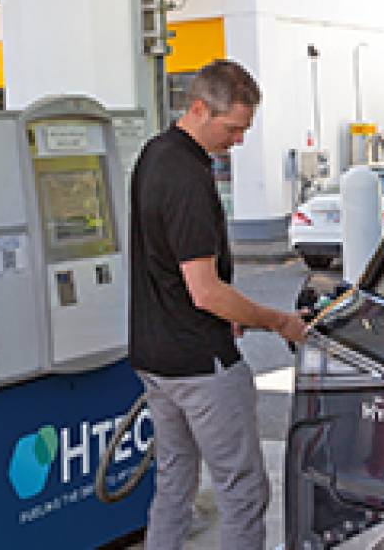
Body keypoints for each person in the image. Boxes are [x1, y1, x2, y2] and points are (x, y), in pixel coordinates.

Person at [128, 59, 308, 550]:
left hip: (155, 360)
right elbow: (205, 291)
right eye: (232, 129)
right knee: (242, 491)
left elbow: (167, 269)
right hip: (200, 367)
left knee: (174, 484)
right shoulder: (187, 177)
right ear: (200, 108)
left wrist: (231, 316)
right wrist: (280, 323)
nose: (238, 141)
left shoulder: (153, 153)